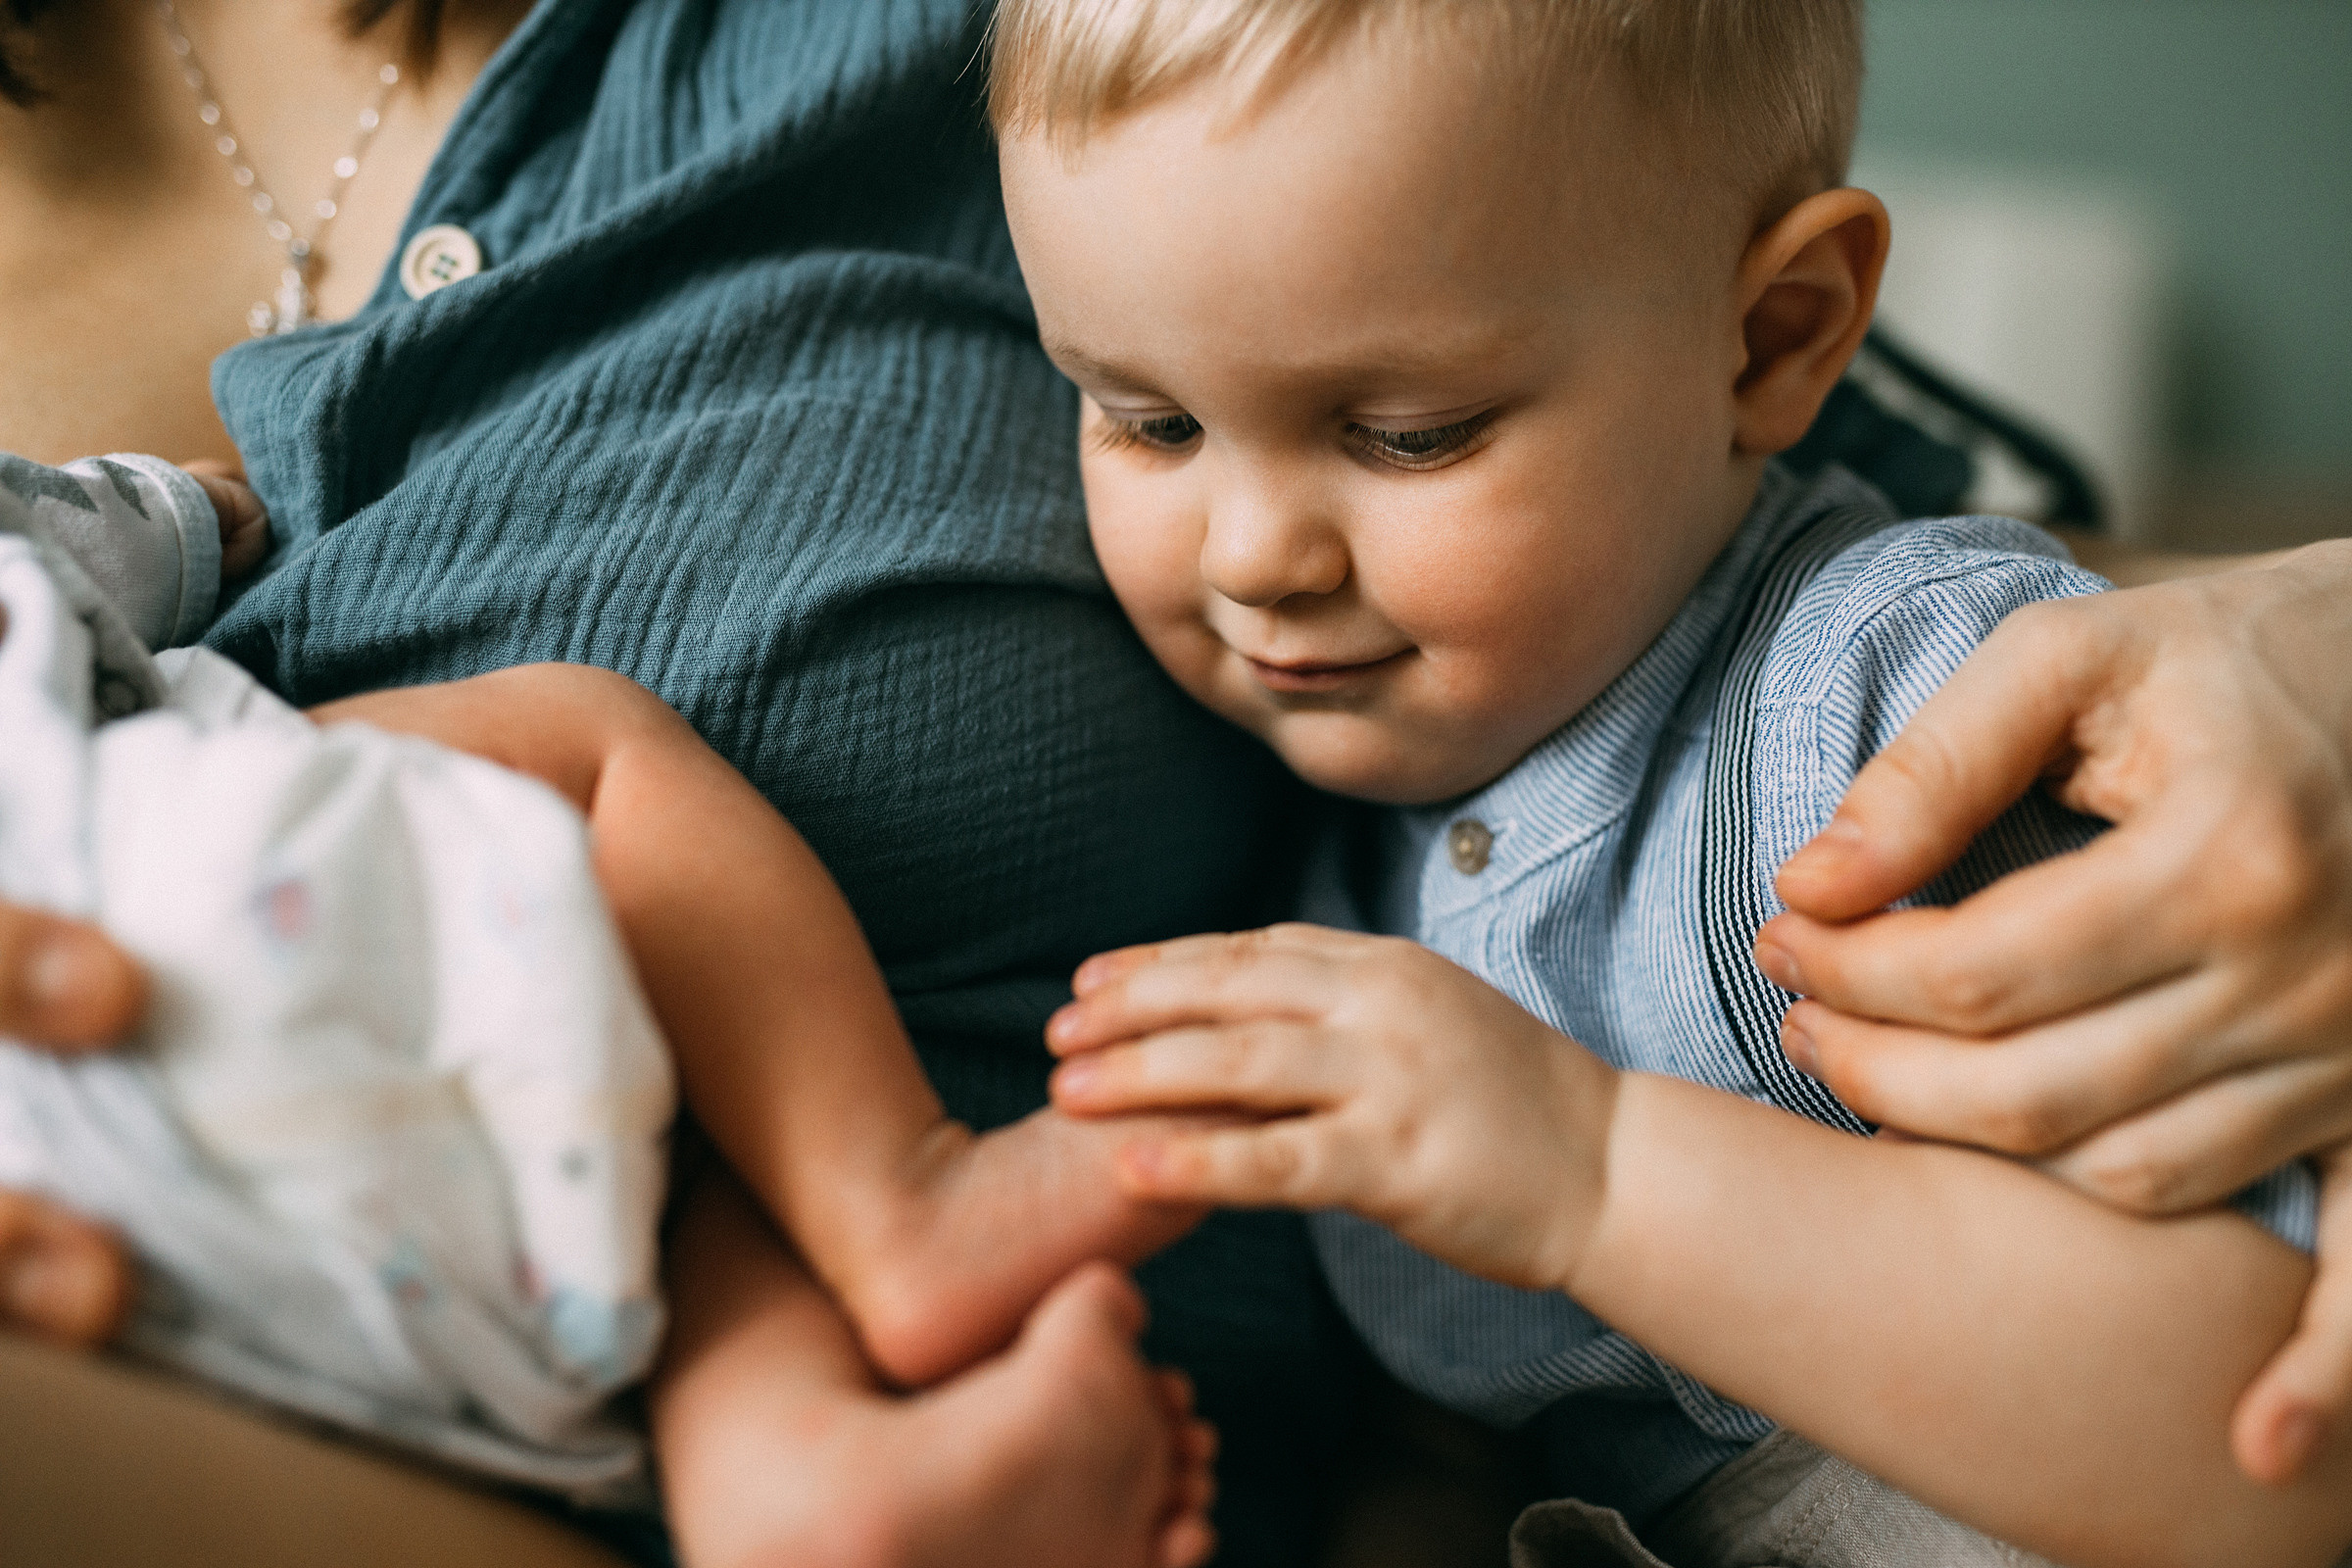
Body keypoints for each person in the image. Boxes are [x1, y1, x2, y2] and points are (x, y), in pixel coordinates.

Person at [983, 1, 2352, 1563]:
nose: (1251, 559)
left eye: (1409, 435)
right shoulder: (1335, 867)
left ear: (1772, 339)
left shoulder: (1913, 703)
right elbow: (1485, 1428)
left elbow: (2270, 1438)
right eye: (1148, 421)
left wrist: (1598, 1171)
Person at [0, 2, 1357, 1564]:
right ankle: (887, 1238)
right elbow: (158, 534)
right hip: (244, 1202)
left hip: (262, 1221)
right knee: (579, 792)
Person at [0, 447, 1218, 1560]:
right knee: (590, 776)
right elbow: (81, 528)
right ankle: (899, 1205)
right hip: (175, 920)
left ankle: (795, 1496)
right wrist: (187, 513)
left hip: (115, 1290)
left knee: (620, 1175)